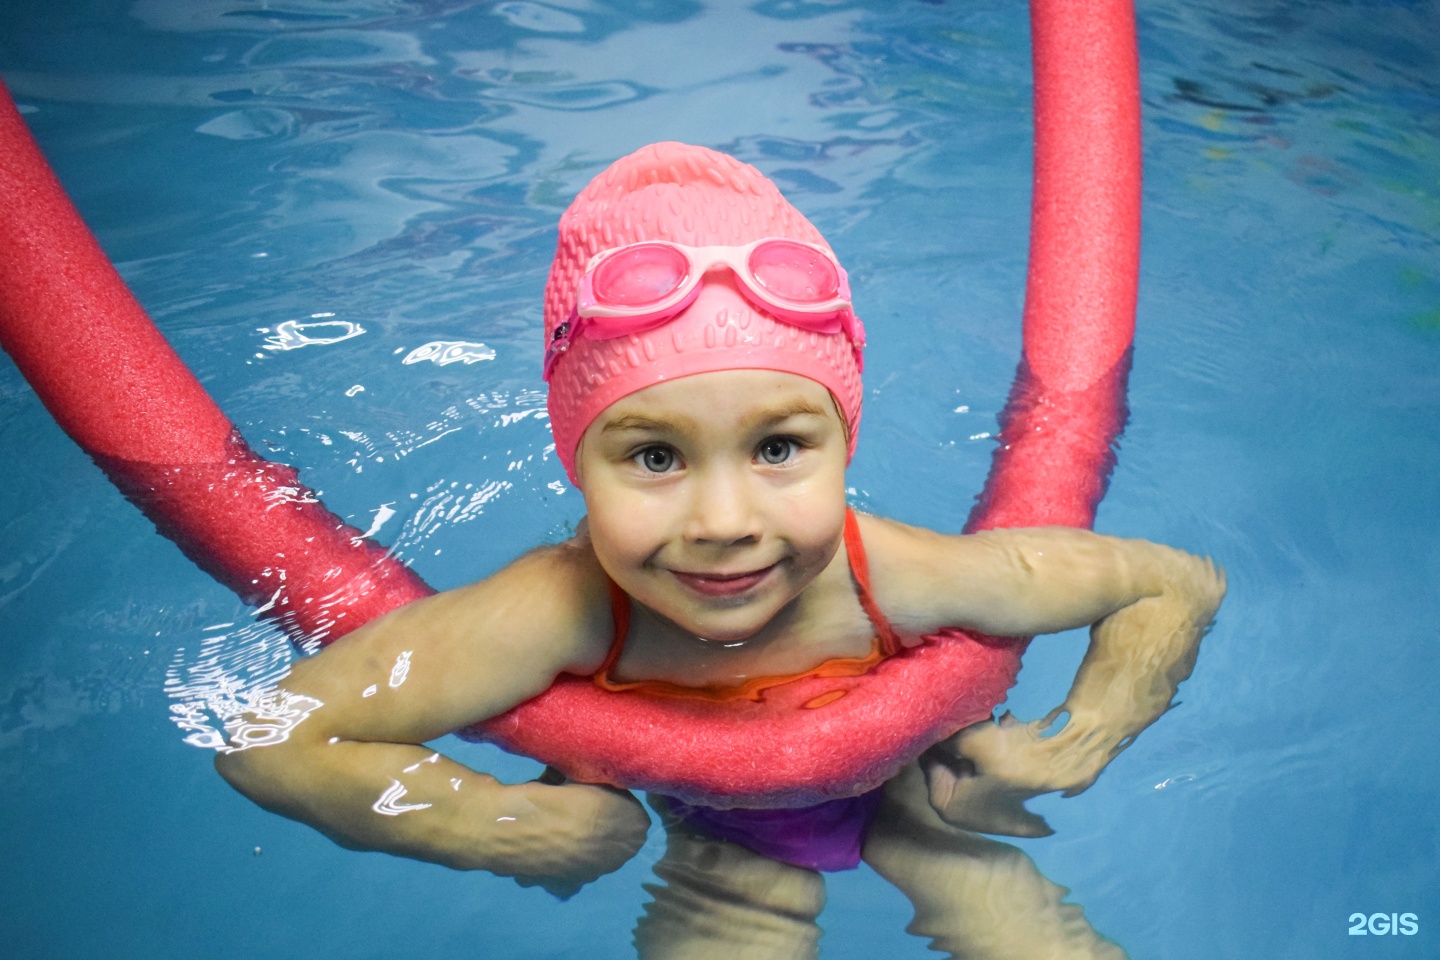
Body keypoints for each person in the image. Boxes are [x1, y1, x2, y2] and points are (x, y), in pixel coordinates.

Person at [215, 142, 1224, 957]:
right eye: (655, 456)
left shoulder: (896, 575)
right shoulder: (554, 612)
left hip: (921, 790)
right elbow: (272, 737)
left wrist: (1082, 734)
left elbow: (1172, 585)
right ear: (577, 463)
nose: (725, 518)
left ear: (845, 445)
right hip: (723, 837)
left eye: (779, 447)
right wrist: (493, 825)